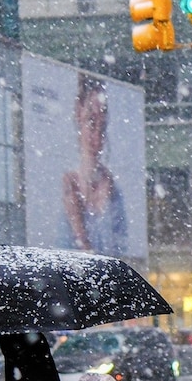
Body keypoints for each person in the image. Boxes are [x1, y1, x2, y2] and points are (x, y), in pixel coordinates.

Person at [63, 74, 128, 256]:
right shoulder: (68, 185)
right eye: (92, 121)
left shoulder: (113, 191)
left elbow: (121, 250)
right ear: (78, 113)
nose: (97, 135)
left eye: (103, 125)